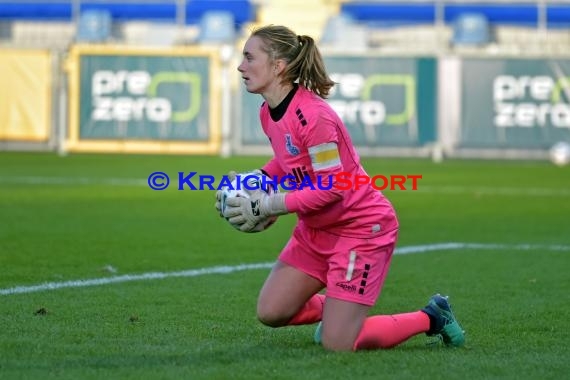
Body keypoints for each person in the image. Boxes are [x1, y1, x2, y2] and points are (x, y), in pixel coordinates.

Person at [215, 25, 465, 351]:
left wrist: (267, 205)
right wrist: (256, 180)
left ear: (278, 66)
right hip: (316, 229)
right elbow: (288, 159)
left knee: (338, 344)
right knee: (271, 312)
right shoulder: (268, 111)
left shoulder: (314, 116)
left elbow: (332, 188)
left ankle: (433, 316)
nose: (241, 66)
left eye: (249, 57)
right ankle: (339, 311)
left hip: (360, 227)